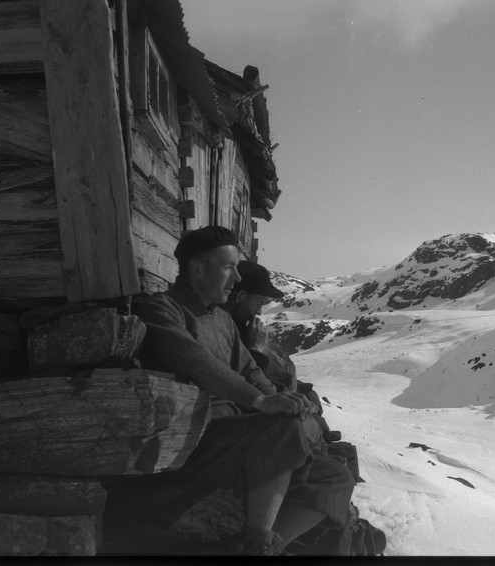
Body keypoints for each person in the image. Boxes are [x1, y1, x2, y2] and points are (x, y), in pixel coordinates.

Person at [114, 225, 355, 556]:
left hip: (234, 436)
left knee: (337, 477)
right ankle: (257, 541)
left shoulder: (223, 320)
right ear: (197, 269)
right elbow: (197, 363)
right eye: (229, 267)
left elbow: (250, 371)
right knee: (284, 431)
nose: (237, 278)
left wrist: (284, 399)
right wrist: (261, 400)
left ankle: (267, 549)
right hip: (195, 440)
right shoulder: (164, 310)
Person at [220, 259, 297, 392]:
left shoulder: (238, 328)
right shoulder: (220, 329)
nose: (260, 312)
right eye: (259, 303)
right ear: (240, 296)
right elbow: (243, 386)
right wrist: (255, 349)